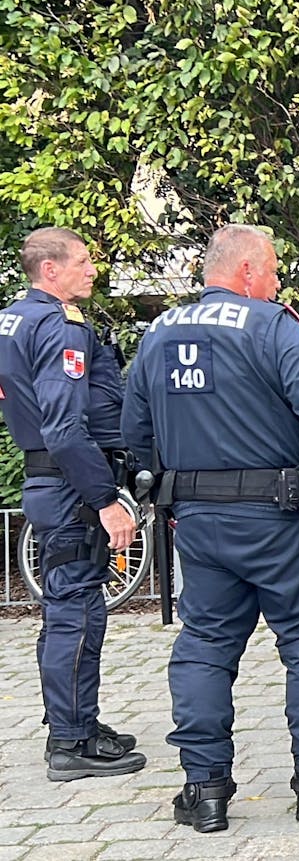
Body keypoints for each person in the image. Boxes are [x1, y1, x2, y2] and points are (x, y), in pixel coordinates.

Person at [122, 225, 299, 831]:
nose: (278, 281)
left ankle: (204, 790)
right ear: (244, 272)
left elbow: (133, 432)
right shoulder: (272, 328)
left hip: (198, 525)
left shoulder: (156, 335)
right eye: (274, 270)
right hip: (279, 520)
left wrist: (161, 487)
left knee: (205, 646)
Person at [0, 228, 144, 784]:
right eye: (81, 262)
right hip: (68, 485)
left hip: (46, 481)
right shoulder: (58, 326)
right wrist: (105, 500)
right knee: (77, 611)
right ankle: (70, 743)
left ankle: (77, 722)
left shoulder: (13, 319)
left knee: (63, 609)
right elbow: (64, 428)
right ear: (50, 271)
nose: (92, 270)